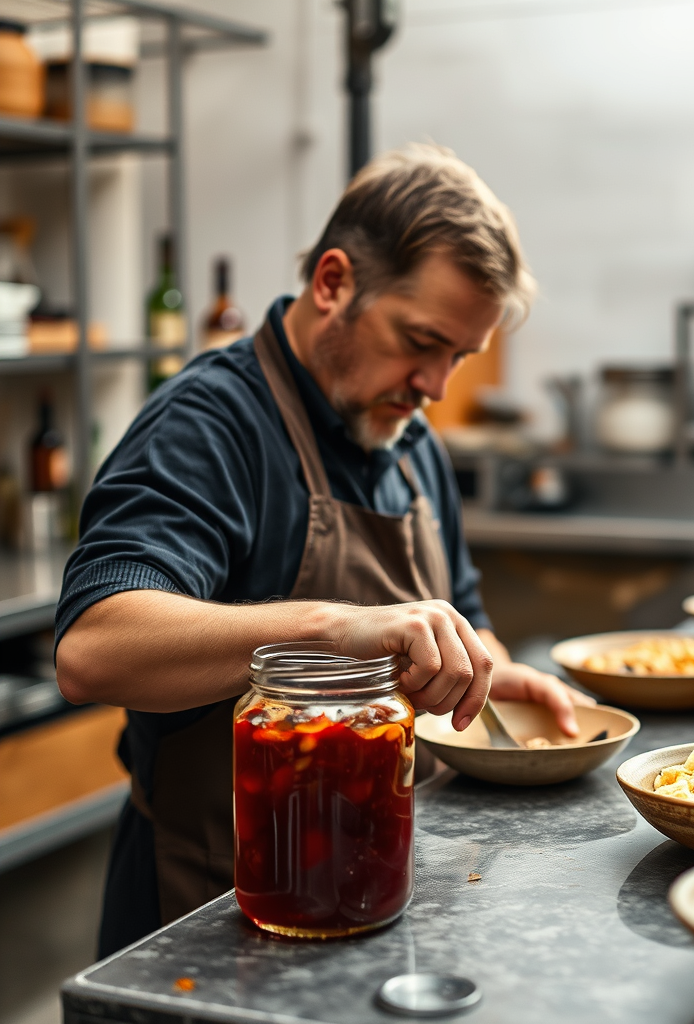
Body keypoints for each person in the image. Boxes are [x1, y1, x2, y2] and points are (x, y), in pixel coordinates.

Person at [55, 143, 593, 957]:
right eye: (422, 341)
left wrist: (481, 667)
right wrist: (333, 629)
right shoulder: (211, 425)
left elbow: (467, 618)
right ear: (334, 282)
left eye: (460, 356)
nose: (437, 387)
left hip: (384, 892)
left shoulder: (411, 444)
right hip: (219, 916)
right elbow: (95, 648)